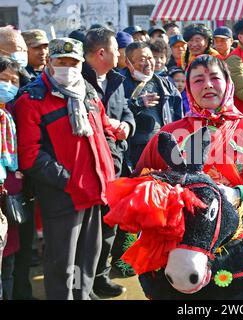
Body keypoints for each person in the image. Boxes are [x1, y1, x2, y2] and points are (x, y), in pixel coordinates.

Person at [134, 55, 243, 299]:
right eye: (199, 80)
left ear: (228, 82)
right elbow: (142, 182)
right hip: (185, 243)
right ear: (189, 88)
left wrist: (239, 194)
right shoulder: (170, 135)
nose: (208, 85)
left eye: (215, 77)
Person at [15, 38, 118, 300]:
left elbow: (105, 130)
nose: (67, 67)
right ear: (50, 62)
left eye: (73, 62)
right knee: (62, 264)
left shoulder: (89, 92)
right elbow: (29, 155)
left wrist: (109, 168)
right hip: (63, 196)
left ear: (81, 63)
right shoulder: (32, 99)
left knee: (88, 259)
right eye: (61, 62)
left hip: (95, 193)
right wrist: (68, 180)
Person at [82, 28, 136, 299]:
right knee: (87, 233)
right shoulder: (78, 80)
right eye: (116, 49)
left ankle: (100, 278)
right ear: (102, 52)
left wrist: (127, 124)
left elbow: (124, 108)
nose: (120, 55)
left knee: (108, 226)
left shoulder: (116, 78)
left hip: (115, 164)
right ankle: (85, 283)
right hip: (89, 169)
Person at [123, 41, 183, 167]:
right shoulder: (118, 83)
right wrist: (137, 103)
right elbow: (113, 111)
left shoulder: (165, 85)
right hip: (133, 150)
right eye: (142, 59)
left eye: (150, 58)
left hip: (162, 148)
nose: (148, 63)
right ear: (128, 63)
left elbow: (178, 116)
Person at [0, 56, 22, 300]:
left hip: (9, 194)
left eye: (13, 81)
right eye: (3, 79)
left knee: (8, 256)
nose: (8, 84)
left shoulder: (9, 115)